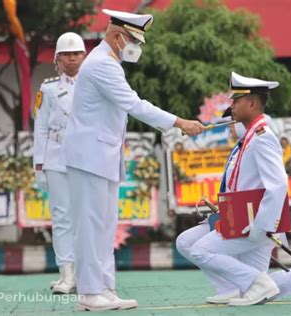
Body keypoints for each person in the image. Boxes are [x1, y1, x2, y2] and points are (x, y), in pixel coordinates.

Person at [60, 9, 204, 311]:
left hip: (100, 156)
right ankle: (89, 292)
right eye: (133, 39)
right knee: (90, 226)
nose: (135, 46)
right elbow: (134, 104)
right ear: (117, 35)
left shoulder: (109, 62)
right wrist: (180, 122)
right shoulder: (102, 65)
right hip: (90, 157)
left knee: (104, 226)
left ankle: (105, 288)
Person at [176, 72, 291, 306]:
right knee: (248, 280)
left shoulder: (262, 137)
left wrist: (262, 224)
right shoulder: (251, 138)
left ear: (251, 103)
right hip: (242, 218)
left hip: (255, 222)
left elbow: (278, 183)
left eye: (236, 101)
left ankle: (257, 284)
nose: (231, 106)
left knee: (208, 255)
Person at [33, 32, 86, 295]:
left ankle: (86, 273)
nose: (72, 58)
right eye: (66, 54)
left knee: (85, 217)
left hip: (86, 157)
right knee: (62, 217)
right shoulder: (49, 88)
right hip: (55, 156)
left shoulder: (93, 84)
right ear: (57, 59)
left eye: (76, 53)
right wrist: (39, 164)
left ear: (84, 57)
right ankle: (67, 274)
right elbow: (40, 127)